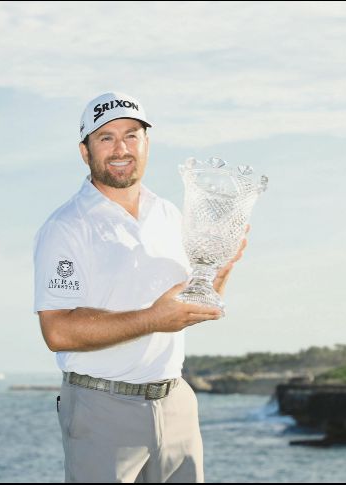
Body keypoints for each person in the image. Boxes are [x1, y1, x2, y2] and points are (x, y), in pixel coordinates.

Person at [33, 91, 247, 483]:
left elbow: (179, 311)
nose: (121, 148)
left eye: (132, 135)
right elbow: (57, 330)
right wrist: (152, 319)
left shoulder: (168, 214)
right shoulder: (65, 227)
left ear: (147, 144)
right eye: (106, 138)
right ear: (85, 151)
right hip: (102, 407)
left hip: (176, 402)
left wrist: (219, 270)